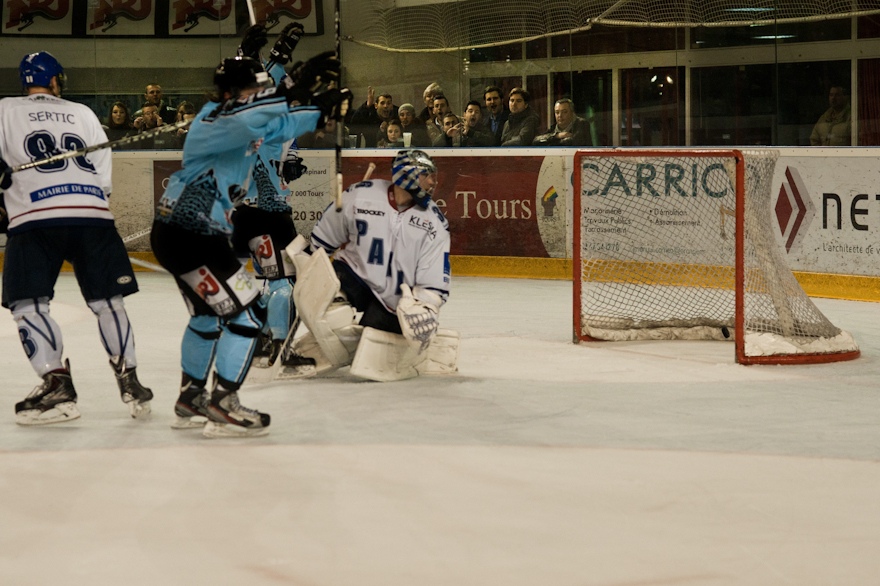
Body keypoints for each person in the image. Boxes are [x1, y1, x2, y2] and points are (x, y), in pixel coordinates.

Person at [150, 49, 343, 438]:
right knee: (249, 315)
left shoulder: (243, 120)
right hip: (192, 234)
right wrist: (295, 87)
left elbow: (279, 126)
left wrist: (319, 112)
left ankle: (191, 398)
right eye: (254, 88)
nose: (259, 94)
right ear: (233, 92)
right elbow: (260, 114)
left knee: (207, 316)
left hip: (190, 234)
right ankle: (223, 403)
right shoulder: (218, 118)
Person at [0, 51, 152, 425]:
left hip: (35, 218)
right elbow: (103, 179)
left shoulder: (5, 109)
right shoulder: (82, 113)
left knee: (29, 305)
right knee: (109, 301)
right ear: (55, 81)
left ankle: (56, 384)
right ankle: (130, 379)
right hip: (93, 215)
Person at [288, 149, 454, 381]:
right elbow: (325, 237)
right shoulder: (360, 195)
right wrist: (311, 268)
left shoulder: (434, 222)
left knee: (370, 339)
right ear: (407, 174)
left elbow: (434, 275)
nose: (432, 182)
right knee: (333, 315)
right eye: (426, 175)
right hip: (353, 276)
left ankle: (340, 346)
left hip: (395, 297)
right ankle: (320, 345)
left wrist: (424, 306)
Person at [230, 22, 320, 374]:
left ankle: (261, 340)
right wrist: (260, 57)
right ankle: (280, 348)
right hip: (263, 213)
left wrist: (292, 165)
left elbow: (288, 147)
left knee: (276, 278)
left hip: (263, 211)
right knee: (285, 281)